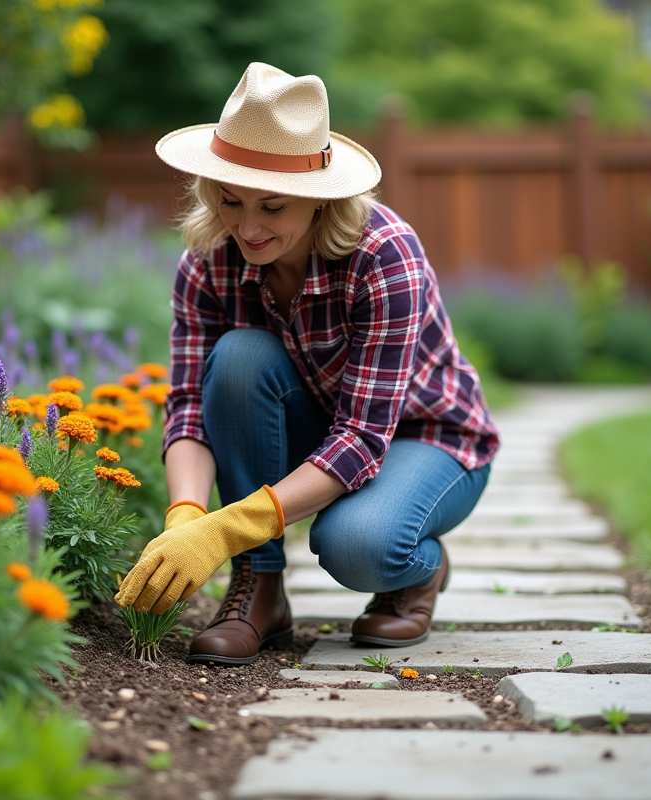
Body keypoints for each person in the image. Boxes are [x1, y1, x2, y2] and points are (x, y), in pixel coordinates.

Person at [114, 62, 499, 666]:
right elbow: (189, 405)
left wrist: (225, 527)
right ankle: (259, 591)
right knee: (238, 357)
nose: (246, 226)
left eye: (272, 206)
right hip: (318, 423)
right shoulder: (209, 260)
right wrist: (186, 517)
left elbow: (364, 437)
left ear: (322, 201)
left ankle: (419, 568)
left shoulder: (383, 255)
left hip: (427, 439)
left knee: (356, 546)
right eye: (230, 200)